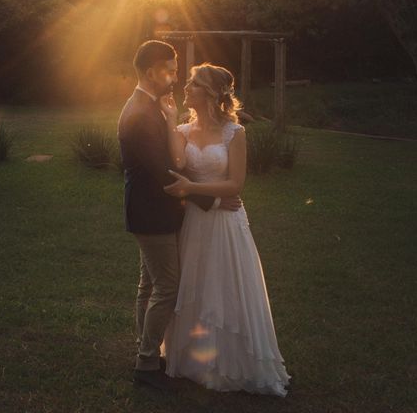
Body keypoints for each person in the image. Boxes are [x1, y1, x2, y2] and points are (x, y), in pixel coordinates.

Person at [159, 62, 291, 396]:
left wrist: (192, 188)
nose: (186, 87)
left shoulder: (235, 132)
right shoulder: (183, 131)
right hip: (194, 221)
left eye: (193, 84)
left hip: (226, 223)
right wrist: (169, 118)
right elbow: (175, 167)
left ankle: (230, 363)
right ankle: (193, 359)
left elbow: (235, 184)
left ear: (211, 93)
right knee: (195, 283)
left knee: (225, 284)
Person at [117, 41, 242, 391]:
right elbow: (164, 174)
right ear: (150, 71)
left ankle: (147, 352)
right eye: (170, 70)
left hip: (151, 211)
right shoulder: (140, 111)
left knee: (149, 285)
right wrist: (213, 203)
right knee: (167, 287)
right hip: (151, 211)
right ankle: (145, 364)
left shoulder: (151, 106)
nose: (174, 77)